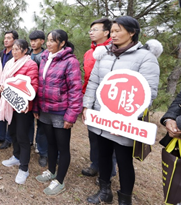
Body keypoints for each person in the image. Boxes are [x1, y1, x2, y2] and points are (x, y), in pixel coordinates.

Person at [83, 16, 160, 205]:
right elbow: (93, 82)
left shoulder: (145, 58)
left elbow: (148, 93)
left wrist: (125, 120)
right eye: (113, 31)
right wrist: (87, 105)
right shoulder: (105, 54)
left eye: (118, 31)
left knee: (124, 161)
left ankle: (125, 198)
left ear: (132, 32)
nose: (114, 34)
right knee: (103, 155)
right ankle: (104, 192)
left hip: (125, 121)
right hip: (101, 117)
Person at [33, 30, 82, 195]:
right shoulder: (45, 57)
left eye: (52, 41)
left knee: (63, 147)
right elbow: (39, 84)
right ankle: (51, 170)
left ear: (62, 43)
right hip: (45, 109)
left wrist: (71, 115)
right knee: (50, 143)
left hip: (61, 112)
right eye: (47, 40)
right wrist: (36, 107)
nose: (48, 44)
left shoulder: (70, 62)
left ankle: (59, 181)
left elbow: (76, 91)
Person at [0, 39, 38, 184]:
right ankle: (16, 157)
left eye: (17, 49)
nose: (14, 52)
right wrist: (2, 88)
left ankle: (24, 168)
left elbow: (33, 86)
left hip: (22, 106)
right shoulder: (10, 63)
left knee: (22, 136)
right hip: (10, 104)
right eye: (13, 49)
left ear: (25, 51)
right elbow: (4, 82)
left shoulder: (30, 64)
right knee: (13, 132)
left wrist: (27, 102)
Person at [81, 18, 115, 178]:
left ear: (106, 32)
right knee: (93, 135)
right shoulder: (89, 53)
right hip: (91, 99)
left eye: (95, 29)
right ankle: (95, 164)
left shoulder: (114, 51)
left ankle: (108, 171)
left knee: (109, 138)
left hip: (110, 101)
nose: (91, 32)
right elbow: (89, 79)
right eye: (90, 30)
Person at [28, 30, 48, 168]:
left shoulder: (46, 55)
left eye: (36, 40)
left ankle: (43, 152)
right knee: (27, 121)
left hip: (41, 93)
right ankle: (29, 142)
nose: (33, 43)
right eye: (31, 40)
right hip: (26, 93)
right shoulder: (27, 54)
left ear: (42, 41)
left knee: (41, 124)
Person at [0, 30, 18, 150]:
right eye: (5, 38)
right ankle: (0, 136)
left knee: (9, 113)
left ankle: (8, 139)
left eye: (9, 38)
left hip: (10, 88)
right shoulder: (2, 53)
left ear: (14, 40)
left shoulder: (15, 55)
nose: (6, 40)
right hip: (1, 87)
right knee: (2, 111)